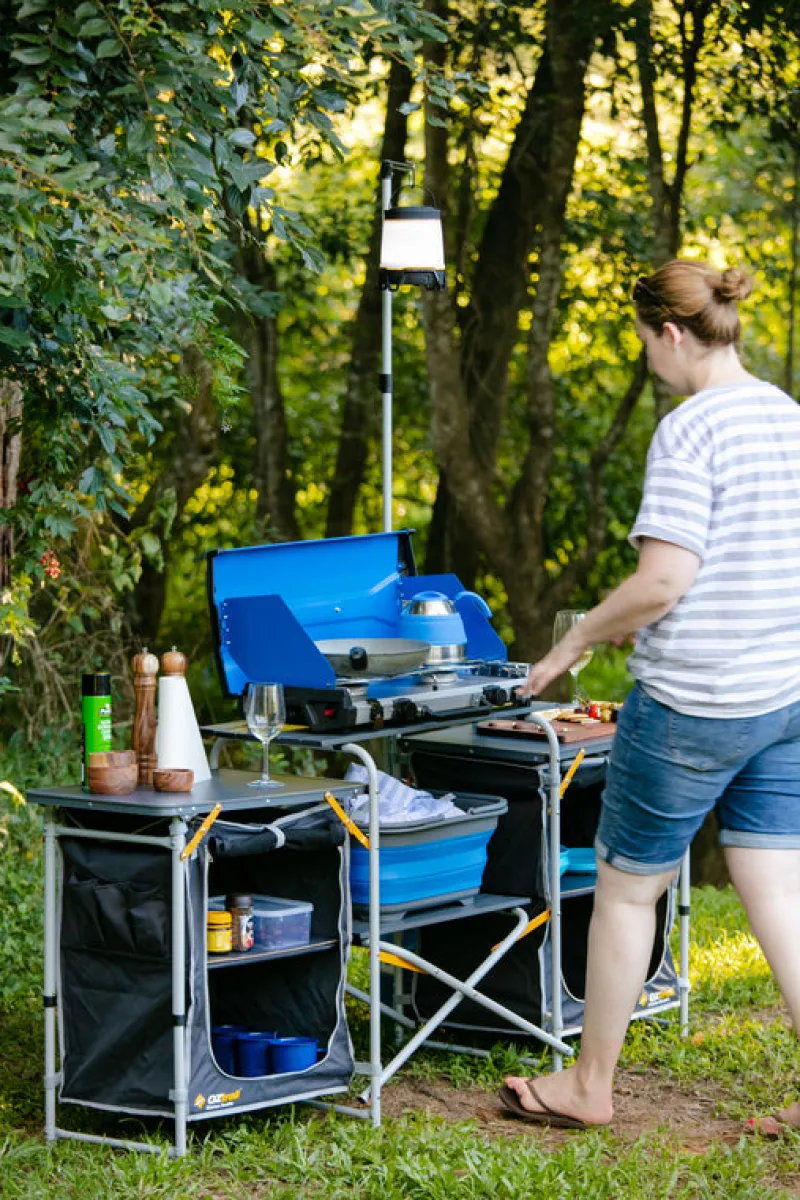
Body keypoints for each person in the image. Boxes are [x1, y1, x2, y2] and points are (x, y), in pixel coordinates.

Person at [498, 259, 800, 1136]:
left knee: (629, 889)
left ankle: (589, 1086)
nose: (647, 360)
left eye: (642, 342)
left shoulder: (691, 429)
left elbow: (664, 579)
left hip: (697, 702)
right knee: (777, 889)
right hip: (783, 694)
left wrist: (576, 638)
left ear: (670, 333)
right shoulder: (787, 416)